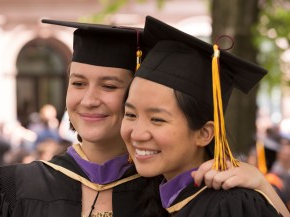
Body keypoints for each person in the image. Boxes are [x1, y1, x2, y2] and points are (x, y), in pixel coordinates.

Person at [0, 18, 287, 217]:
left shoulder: (170, 193)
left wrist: (264, 190)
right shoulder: (12, 187)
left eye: (110, 86)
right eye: (77, 82)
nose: (89, 99)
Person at [121, 16, 289, 216]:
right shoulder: (158, 198)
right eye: (130, 114)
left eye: (157, 119)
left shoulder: (228, 206)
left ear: (205, 133)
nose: (138, 134)